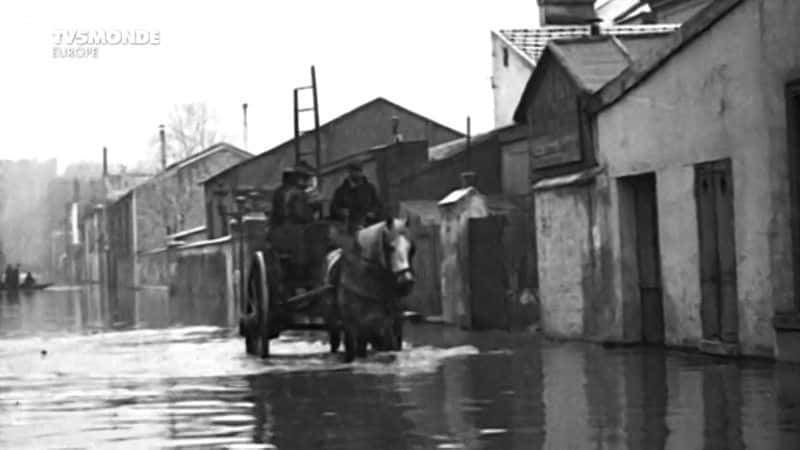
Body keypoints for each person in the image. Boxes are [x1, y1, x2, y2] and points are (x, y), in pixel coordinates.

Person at [329, 161, 382, 229]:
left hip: (368, 226)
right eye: (355, 171)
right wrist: (340, 212)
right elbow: (333, 208)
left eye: (359, 171)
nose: (357, 173)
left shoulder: (370, 188)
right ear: (349, 172)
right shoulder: (341, 191)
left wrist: (373, 212)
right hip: (348, 228)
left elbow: (378, 204)